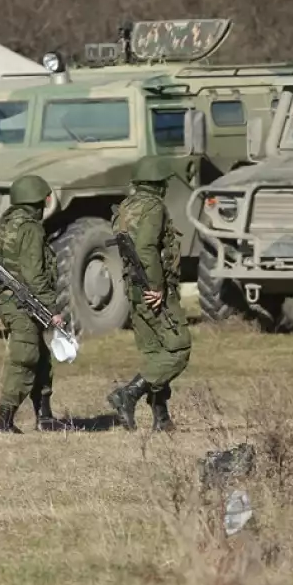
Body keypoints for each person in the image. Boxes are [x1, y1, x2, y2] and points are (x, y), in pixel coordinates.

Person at [106, 156, 191, 432]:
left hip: (134, 289)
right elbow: (146, 249)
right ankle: (128, 394)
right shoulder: (153, 207)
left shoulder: (126, 207)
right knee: (178, 349)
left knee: (156, 354)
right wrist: (157, 287)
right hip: (152, 291)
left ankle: (161, 418)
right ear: (159, 184)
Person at [0, 175, 64, 434]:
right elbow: (34, 275)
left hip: (12, 302)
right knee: (25, 358)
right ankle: (4, 422)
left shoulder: (2, 226)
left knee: (41, 356)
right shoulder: (31, 229)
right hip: (22, 304)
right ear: (39, 201)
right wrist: (53, 310)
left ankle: (45, 417)